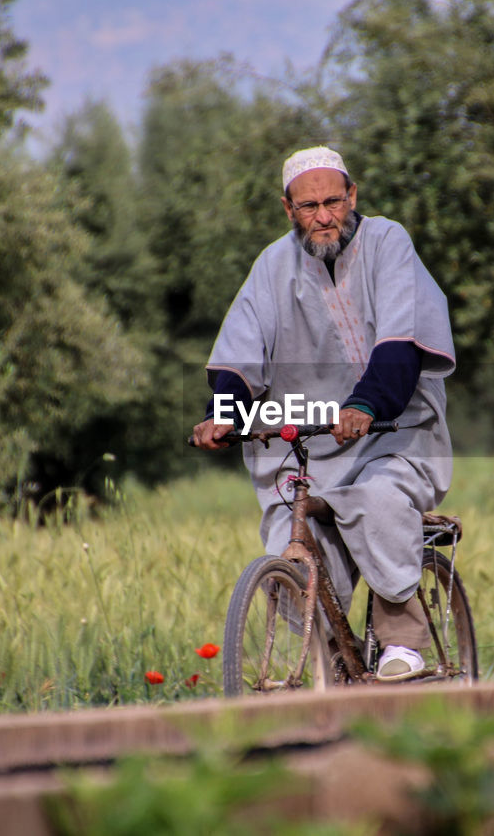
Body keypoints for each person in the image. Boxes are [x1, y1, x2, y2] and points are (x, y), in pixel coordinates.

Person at [190, 146, 455, 682]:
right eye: (309, 206)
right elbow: (242, 353)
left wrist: (365, 403)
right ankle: (339, 657)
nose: (325, 216)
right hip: (310, 436)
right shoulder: (271, 266)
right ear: (288, 209)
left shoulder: (387, 242)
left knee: (379, 499)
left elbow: (400, 340)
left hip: (393, 427)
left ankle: (402, 643)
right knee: (286, 547)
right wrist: (223, 413)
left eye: (334, 201)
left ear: (352, 196)